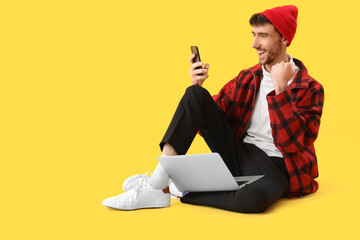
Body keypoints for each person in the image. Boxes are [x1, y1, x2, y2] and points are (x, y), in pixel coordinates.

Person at [102, 5, 324, 213]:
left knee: (254, 200)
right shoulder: (248, 77)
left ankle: (179, 191)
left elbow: (292, 143)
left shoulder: (310, 88)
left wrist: (281, 91)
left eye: (263, 36)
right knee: (196, 95)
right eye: (254, 35)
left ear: (284, 38)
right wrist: (197, 89)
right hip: (238, 152)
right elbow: (209, 116)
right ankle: (155, 186)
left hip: (278, 164)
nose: (255, 44)